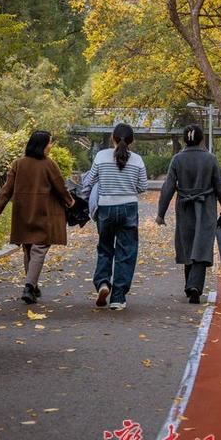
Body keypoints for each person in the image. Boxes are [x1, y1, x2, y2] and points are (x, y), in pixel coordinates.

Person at [0, 130, 74, 304]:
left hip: (23, 213)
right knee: (39, 249)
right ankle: (29, 286)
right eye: (50, 143)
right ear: (42, 145)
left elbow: (6, 190)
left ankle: (32, 286)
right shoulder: (49, 164)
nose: (51, 146)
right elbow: (60, 187)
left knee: (29, 248)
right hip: (44, 213)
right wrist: (70, 202)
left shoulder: (18, 164)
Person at [156, 125, 221, 303]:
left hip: (184, 207)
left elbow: (168, 187)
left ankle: (190, 286)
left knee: (187, 244)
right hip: (206, 207)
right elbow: (220, 188)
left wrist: (161, 213)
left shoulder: (177, 159)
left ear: (185, 140)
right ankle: (194, 286)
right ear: (201, 140)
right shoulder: (211, 159)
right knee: (201, 246)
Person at [78, 123, 147, 311]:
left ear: (113, 138)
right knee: (126, 252)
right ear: (132, 141)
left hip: (106, 207)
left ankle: (102, 283)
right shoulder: (138, 160)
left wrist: (85, 196)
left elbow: (89, 182)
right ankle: (118, 297)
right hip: (129, 208)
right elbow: (143, 187)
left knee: (105, 247)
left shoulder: (101, 156)